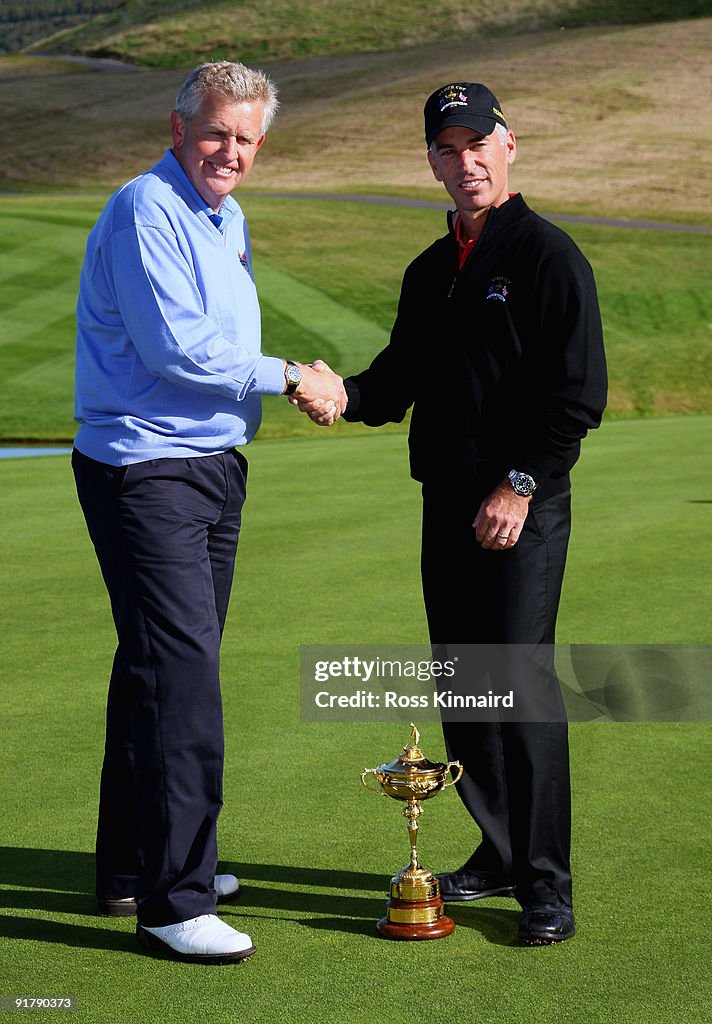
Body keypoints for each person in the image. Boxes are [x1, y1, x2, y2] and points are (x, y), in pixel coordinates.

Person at [296, 82, 607, 945]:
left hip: (520, 508)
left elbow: (577, 396)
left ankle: (547, 885)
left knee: (522, 688)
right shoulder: (431, 271)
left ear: (511, 145)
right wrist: (339, 393)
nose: (464, 162)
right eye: (447, 148)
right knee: (465, 688)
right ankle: (501, 849)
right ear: (430, 159)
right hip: (445, 504)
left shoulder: (549, 257)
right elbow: (397, 381)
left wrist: (519, 484)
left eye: (479, 144)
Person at [72, 60, 346, 965]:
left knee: (155, 668)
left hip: (209, 467)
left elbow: (223, 340)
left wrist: (279, 374)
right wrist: (293, 377)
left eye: (247, 139)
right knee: (184, 676)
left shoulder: (226, 218)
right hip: (146, 468)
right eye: (217, 132)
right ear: (180, 124)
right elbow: (179, 350)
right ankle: (176, 900)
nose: (230, 151)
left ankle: (131, 868)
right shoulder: (145, 208)